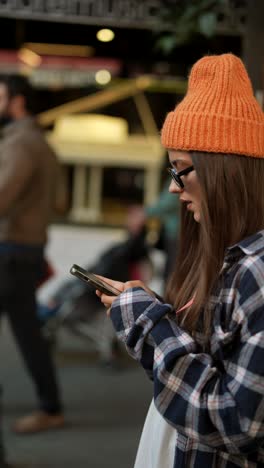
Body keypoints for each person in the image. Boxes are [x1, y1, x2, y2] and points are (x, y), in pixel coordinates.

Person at [96, 53, 264, 467]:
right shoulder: (233, 257)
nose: (174, 188)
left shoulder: (256, 271)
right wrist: (152, 318)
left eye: (180, 170)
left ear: (224, 170)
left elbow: (237, 422)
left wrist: (151, 325)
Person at [0, 74, 64, 434]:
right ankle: (50, 404)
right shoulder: (40, 142)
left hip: (11, 249)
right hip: (25, 247)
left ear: (17, 100)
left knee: (27, 332)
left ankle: (51, 406)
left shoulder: (20, 143)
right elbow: (60, 200)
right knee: (28, 330)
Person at [127, 177, 180, 285]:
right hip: (174, 233)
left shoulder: (179, 176)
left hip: (177, 234)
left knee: (173, 273)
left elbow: (167, 202)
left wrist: (144, 213)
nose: (172, 188)